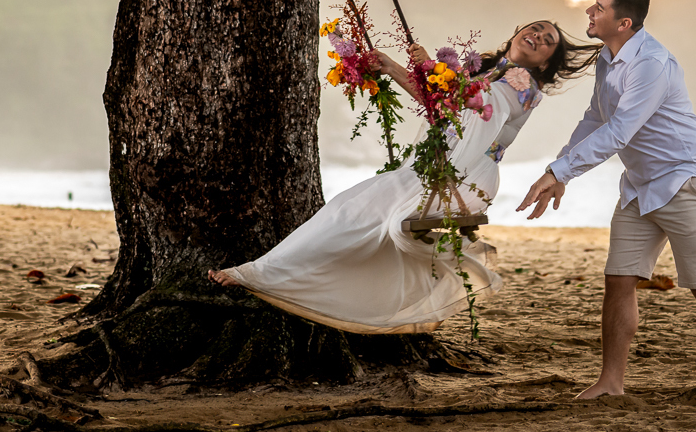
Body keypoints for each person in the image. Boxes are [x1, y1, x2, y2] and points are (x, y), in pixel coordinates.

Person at [209, 21, 600, 334]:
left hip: (466, 178)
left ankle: (263, 274)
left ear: (545, 63)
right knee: (350, 210)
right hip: (432, 166)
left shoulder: (525, 88)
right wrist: (392, 67)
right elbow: (438, 105)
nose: (537, 36)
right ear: (517, 33)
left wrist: (432, 68)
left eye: (547, 41)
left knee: (370, 217)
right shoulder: (481, 69)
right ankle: (270, 274)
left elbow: (473, 101)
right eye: (535, 28)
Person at [518, 0, 696, 408]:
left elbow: (620, 131)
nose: (590, 11)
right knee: (618, 280)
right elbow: (595, 119)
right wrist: (558, 171)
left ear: (624, 23)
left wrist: (562, 170)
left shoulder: (651, 63)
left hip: (687, 181)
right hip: (640, 186)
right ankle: (611, 381)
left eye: (599, 7)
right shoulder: (608, 58)